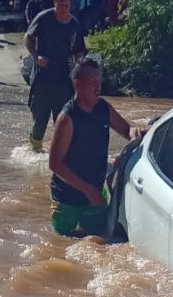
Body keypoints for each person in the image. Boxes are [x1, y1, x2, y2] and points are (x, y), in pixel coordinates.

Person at [48, 58, 145, 237]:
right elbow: (55, 164)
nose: (98, 86)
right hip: (66, 199)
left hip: (95, 195)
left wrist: (135, 133)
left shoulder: (103, 108)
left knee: (98, 241)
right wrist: (89, 191)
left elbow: (127, 129)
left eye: (99, 81)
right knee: (60, 245)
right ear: (77, 84)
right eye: (92, 82)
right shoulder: (67, 117)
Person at [25, 0, 86, 152]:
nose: (63, 9)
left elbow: (79, 51)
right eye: (60, 5)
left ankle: (58, 155)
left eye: (66, 6)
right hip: (42, 79)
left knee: (62, 122)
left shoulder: (74, 24)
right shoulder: (43, 18)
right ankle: (34, 151)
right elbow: (28, 38)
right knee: (39, 123)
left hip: (64, 81)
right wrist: (36, 56)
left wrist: (82, 68)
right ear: (55, 4)